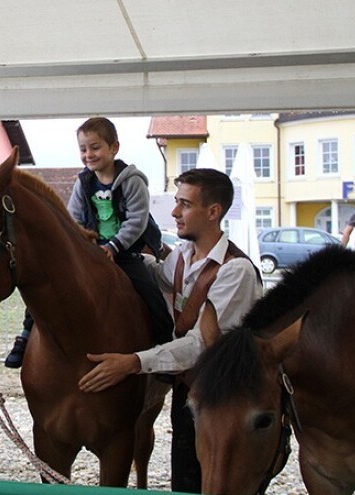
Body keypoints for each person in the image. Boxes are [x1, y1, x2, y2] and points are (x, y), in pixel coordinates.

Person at [77, 168, 263, 493]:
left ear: (213, 212)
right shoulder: (182, 256)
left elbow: (200, 346)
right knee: (185, 483)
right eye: (177, 202)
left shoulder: (237, 271)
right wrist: (113, 256)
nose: (175, 212)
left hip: (229, 407)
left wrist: (132, 362)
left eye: (185, 204)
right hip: (189, 395)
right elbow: (160, 276)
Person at [4, 116, 172, 368]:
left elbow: (136, 220)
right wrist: (79, 244)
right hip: (91, 250)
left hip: (123, 252)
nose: (88, 154)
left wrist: (114, 246)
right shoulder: (83, 183)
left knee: (150, 292)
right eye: (83, 149)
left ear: (114, 148)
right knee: (48, 285)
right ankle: (26, 334)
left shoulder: (132, 181)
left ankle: (163, 343)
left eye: (95, 147)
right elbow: (73, 218)